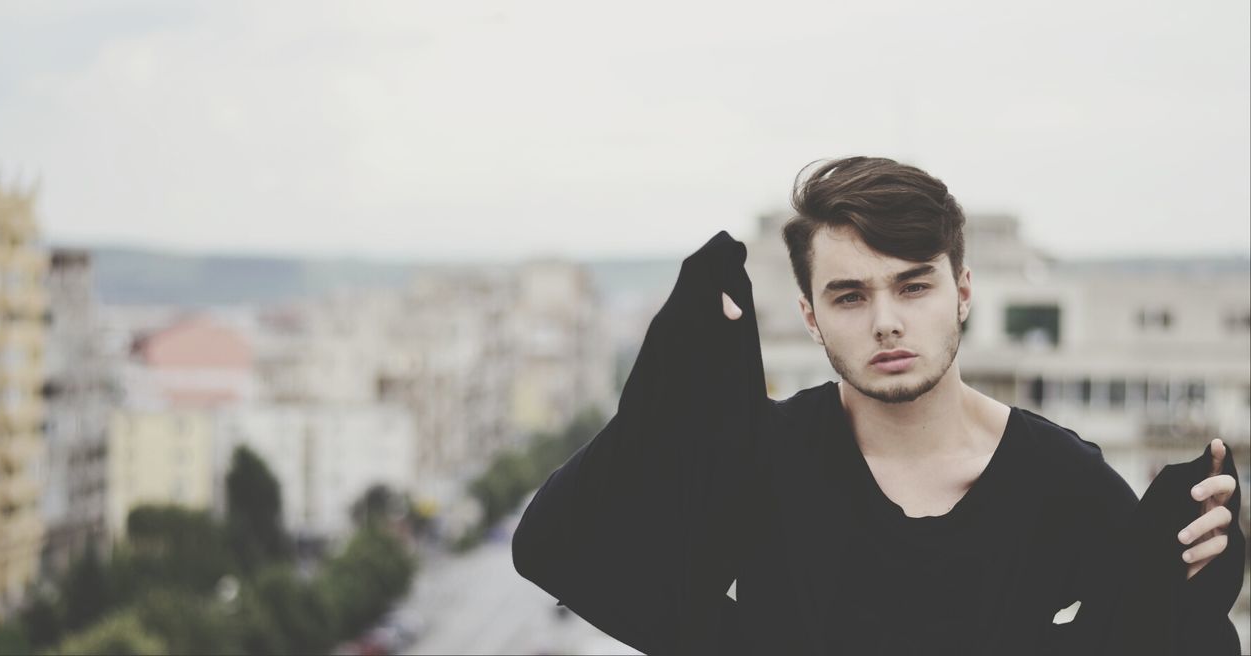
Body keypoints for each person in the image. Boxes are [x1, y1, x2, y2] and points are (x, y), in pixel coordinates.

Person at [511, 156, 1245, 655]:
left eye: (913, 285)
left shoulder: (1062, 480)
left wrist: (1184, 575)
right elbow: (555, 547)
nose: (885, 320)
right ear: (809, 316)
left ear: (962, 292)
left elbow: (1149, 639)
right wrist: (668, 391)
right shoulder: (765, 455)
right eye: (851, 295)